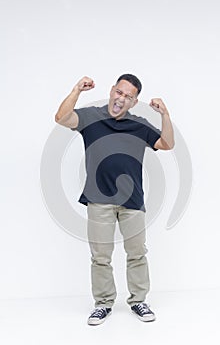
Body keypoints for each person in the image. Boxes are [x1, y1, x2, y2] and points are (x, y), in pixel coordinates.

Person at [55, 74, 174, 325]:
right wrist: (76, 89)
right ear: (111, 91)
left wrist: (165, 114)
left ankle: (139, 301)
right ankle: (103, 303)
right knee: (100, 257)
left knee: (137, 254)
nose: (121, 99)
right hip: (98, 200)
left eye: (128, 96)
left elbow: (166, 143)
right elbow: (62, 118)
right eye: (119, 92)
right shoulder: (90, 118)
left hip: (133, 201)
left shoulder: (139, 125)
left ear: (134, 101)